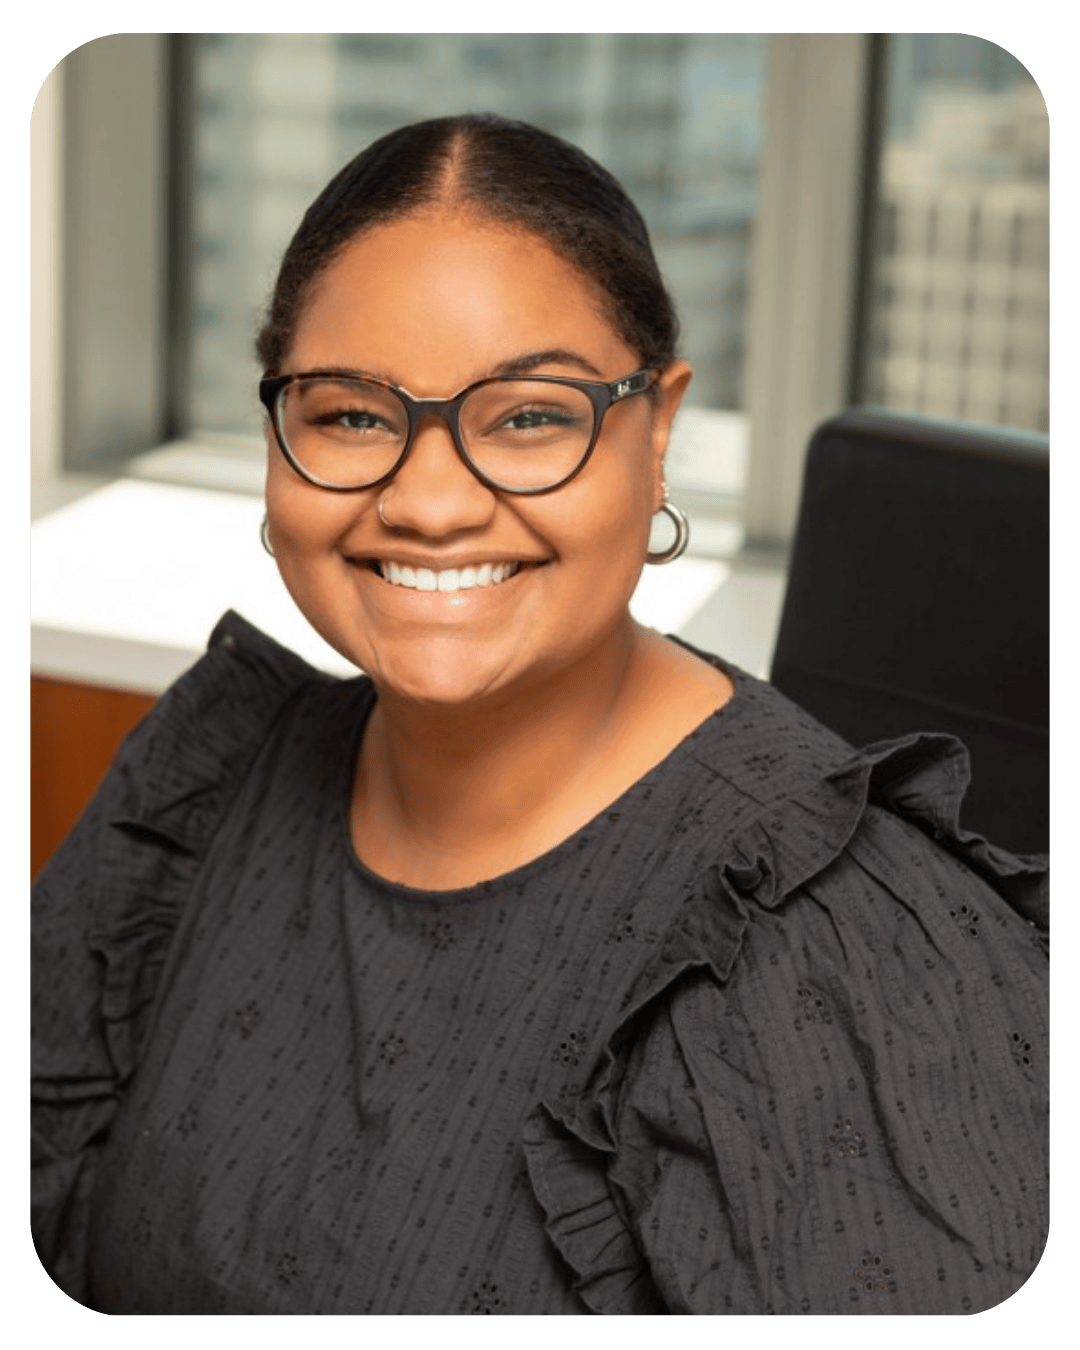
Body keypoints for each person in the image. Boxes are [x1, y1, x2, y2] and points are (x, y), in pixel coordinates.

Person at [31, 113, 1048, 1316]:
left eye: (528, 418)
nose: (430, 504)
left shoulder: (839, 953)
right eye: (351, 413)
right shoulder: (206, 786)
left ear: (657, 432)